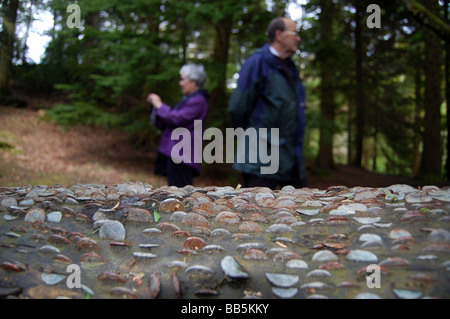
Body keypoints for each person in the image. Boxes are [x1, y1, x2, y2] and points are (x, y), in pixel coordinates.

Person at [228, 17, 308, 189]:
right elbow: (237, 107)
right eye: (295, 33)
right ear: (278, 35)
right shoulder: (257, 63)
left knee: (300, 208)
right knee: (257, 212)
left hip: (291, 158)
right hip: (260, 162)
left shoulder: (292, 68)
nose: (298, 38)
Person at [147, 64, 209, 187]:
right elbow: (168, 123)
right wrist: (154, 109)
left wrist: (160, 106)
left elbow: (177, 119)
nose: (181, 83)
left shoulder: (199, 101)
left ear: (194, 81)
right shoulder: (189, 99)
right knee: (176, 192)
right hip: (177, 153)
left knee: (181, 194)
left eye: (183, 79)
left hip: (183, 155)